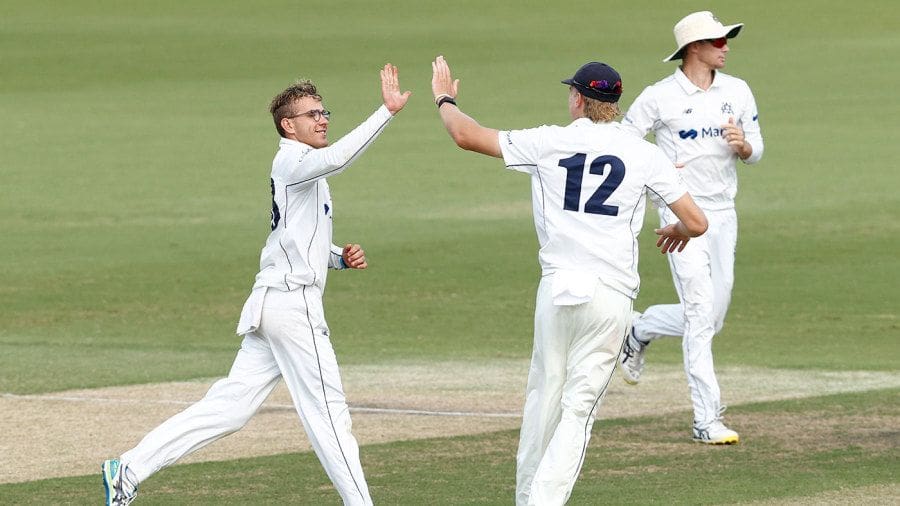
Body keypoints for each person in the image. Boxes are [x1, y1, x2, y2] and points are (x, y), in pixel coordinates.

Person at [101, 64, 411, 506]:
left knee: (230, 407)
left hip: (272, 304)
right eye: (312, 114)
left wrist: (338, 257)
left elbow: (292, 239)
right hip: (292, 307)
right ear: (289, 125)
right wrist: (387, 111)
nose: (322, 119)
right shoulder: (293, 160)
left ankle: (128, 469)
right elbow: (339, 157)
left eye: (324, 112)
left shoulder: (304, 172)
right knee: (329, 414)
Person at [431, 55, 707, 506]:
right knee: (578, 411)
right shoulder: (643, 152)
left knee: (543, 401)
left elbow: (464, 134)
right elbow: (696, 223)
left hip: (557, 291)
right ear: (615, 103)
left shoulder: (549, 141)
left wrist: (444, 98)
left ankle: (528, 499)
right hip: (611, 297)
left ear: (579, 98)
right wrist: (676, 231)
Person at [617, 11, 764, 445]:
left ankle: (638, 330)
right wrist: (657, 169)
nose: (726, 46)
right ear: (694, 48)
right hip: (680, 217)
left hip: (723, 215)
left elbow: (758, 151)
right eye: (718, 41)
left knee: (712, 317)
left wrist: (745, 145)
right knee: (700, 315)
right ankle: (707, 419)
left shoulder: (737, 91)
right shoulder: (660, 96)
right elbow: (624, 142)